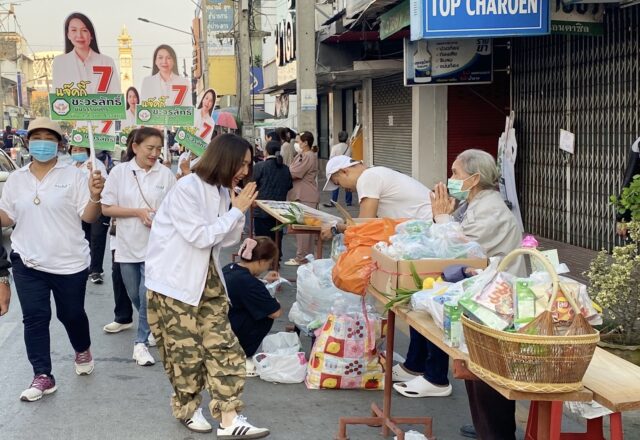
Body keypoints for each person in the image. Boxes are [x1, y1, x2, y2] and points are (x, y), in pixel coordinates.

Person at [145, 133, 270, 438]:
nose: (245, 171)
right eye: (241, 164)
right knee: (184, 355)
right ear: (224, 159)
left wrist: (238, 210)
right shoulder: (187, 188)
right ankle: (188, 409)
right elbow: (200, 236)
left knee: (224, 346)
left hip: (208, 279)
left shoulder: (223, 191)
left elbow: (227, 239)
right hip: (174, 284)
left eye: (248, 165)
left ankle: (230, 418)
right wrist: (236, 210)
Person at [398, 149, 524, 440]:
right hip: (480, 296)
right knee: (474, 369)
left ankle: (497, 433)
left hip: (497, 302)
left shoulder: (490, 209)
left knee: (487, 372)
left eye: (456, 173)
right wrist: (441, 218)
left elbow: (461, 248)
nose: (450, 178)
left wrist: (442, 217)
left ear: (475, 178)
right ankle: (485, 428)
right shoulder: (472, 203)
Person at [0, 117, 105, 401]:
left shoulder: (74, 176)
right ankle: (42, 375)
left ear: (59, 144)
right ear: (28, 142)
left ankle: (82, 348)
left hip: (69, 262)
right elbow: (7, 217)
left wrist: (95, 196)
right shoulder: (17, 179)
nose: (42, 144)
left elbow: (88, 217)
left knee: (71, 314)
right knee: (35, 317)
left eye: (49, 138)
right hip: (28, 261)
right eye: (37, 138)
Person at [101, 127, 176, 367]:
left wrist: (160, 218)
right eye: (149, 148)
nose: (154, 153)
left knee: (146, 293)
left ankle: (140, 343)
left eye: (158, 149)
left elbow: (176, 209)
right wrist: (137, 212)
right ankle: (152, 325)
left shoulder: (166, 175)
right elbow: (106, 208)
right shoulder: (119, 173)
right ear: (135, 147)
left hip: (156, 247)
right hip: (126, 245)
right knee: (135, 293)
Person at [321, 155, 432, 239]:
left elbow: (364, 225)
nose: (343, 188)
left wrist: (336, 228)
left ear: (344, 172)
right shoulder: (375, 172)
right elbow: (374, 223)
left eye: (338, 183)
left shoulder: (367, 177)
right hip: (426, 231)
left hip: (429, 232)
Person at [223, 237, 282, 374]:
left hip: (221, 323)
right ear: (261, 261)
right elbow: (275, 312)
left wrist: (263, 281)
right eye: (269, 263)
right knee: (265, 314)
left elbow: (243, 288)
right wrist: (275, 302)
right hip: (232, 332)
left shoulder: (230, 268)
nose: (267, 267)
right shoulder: (249, 283)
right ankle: (240, 353)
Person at [102, 129, 138, 334]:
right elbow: (107, 205)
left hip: (150, 237)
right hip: (121, 235)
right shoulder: (119, 171)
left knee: (147, 283)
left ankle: (152, 323)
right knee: (120, 276)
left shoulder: (160, 172)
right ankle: (123, 316)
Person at [52, 12, 120, 94]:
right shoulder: (60, 62)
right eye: (74, 30)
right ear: (68, 35)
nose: (79, 35)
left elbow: (116, 95)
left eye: (84, 30)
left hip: (101, 103)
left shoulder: (106, 62)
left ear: (91, 35)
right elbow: (58, 96)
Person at [70, 144, 109, 284]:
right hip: (80, 208)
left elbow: (105, 185)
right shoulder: (71, 166)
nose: (77, 152)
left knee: (97, 238)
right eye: (74, 150)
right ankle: (86, 266)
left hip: (98, 206)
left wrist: (94, 172)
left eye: (81, 149)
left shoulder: (96, 164)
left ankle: (96, 270)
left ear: (88, 150)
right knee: (84, 238)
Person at [252, 140, 293, 258]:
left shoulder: (259, 167)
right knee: (277, 237)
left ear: (266, 151)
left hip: (261, 209)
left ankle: (264, 260)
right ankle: (276, 259)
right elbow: (289, 185)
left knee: (262, 239)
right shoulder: (285, 168)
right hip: (279, 209)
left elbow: (252, 184)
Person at [285, 131, 319, 266]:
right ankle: (305, 257)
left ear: (305, 143)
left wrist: (283, 171)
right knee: (303, 229)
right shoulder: (303, 155)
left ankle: (302, 257)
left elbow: (295, 172)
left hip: (305, 195)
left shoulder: (308, 156)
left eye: (299, 141)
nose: (297, 143)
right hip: (301, 195)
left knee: (304, 230)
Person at [323, 131, 352, 207]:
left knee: (335, 184)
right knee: (347, 184)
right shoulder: (349, 148)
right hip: (346, 168)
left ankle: (333, 201)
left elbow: (331, 158)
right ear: (346, 138)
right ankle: (348, 201)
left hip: (336, 169)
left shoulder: (335, 147)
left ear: (338, 138)